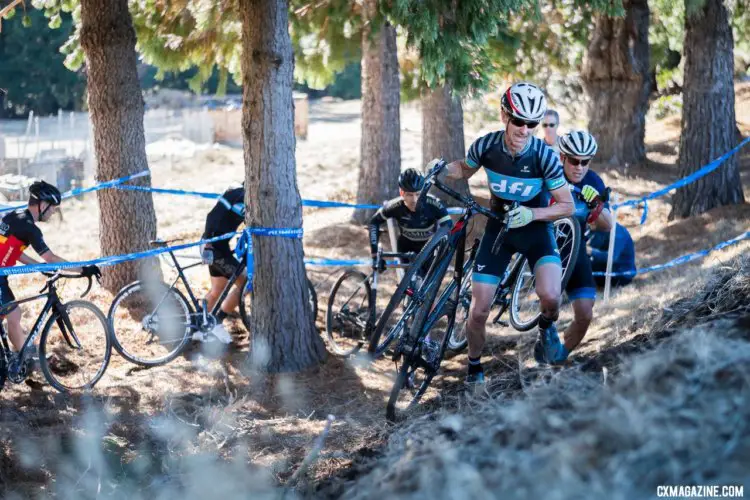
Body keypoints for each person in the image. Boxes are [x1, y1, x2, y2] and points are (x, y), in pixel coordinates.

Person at [441, 81, 576, 385]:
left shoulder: (544, 157)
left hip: (536, 231)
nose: (525, 129)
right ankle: (474, 368)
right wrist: (438, 170)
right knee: (478, 311)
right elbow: (464, 168)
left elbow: (566, 205)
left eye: (532, 123)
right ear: (504, 116)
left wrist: (533, 214)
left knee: (551, 297)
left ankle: (545, 327)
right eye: (518, 120)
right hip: (498, 231)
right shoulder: (486, 145)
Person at [0, 180, 101, 363]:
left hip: (1, 276)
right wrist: (83, 269)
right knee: (14, 315)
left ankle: (22, 362)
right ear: (43, 205)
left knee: (11, 316)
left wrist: (39, 267)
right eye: (53, 207)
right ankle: (25, 362)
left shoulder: (16, 216)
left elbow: (14, 252)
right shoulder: (30, 228)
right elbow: (52, 259)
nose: (54, 212)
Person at [368, 169, 453, 361]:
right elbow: (373, 223)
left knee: (426, 296)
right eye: (408, 195)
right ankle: (405, 328)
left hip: (429, 253)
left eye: (417, 194)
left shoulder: (434, 204)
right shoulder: (395, 206)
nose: (414, 199)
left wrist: (445, 247)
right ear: (401, 192)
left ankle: (426, 339)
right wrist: (375, 254)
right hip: (405, 252)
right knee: (410, 292)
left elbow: (449, 228)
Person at [554, 130, 614, 363]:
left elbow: (607, 225)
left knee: (585, 315)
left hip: (575, 250)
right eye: (574, 161)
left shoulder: (593, 182)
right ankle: (546, 335)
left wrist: (595, 206)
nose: (579, 167)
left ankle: (557, 358)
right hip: (545, 245)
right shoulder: (551, 174)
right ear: (562, 157)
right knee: (551, 303)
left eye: (585, 162)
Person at [200, 182, 247, 344]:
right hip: (213, 245)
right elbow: (211, 216)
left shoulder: (252, 199)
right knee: (246, 284)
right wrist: (208, 243)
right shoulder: (236, 194)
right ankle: (217, 322)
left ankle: (198, 326)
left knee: (217, 290)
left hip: (221, 246)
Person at [589, 223, 637, 287]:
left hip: (621, 274)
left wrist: (591, 251)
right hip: (607, 267)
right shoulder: (599, 229)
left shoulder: (619, 233)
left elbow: (612, 257)